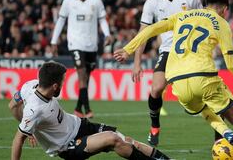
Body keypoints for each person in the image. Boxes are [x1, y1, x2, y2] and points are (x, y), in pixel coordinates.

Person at [114, 0, 233, 160]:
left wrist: (128, 49)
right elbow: (232, 64)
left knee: (202, 107)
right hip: (202, 75)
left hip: (177, 82)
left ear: (206, 5)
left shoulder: (181, 16)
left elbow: (151, 29)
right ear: (225, 9)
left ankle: (225, 132)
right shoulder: (221, 23)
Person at [9, 61, 170, 160]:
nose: (64, 84)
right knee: (113, 138)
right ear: (55, 86)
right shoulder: (35, 110)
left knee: (126, 140)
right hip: (68, 146)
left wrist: (29, 128)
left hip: (79, 125)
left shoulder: (29, 85)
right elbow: (18, 140)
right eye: (63, 82)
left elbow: (12, 105)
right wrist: (27, 126)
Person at [132, 0, 202, 146]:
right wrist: (137, 63)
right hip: (168, 51)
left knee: (197, 92)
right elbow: (143, 34)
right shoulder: (152, 3)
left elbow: (204, 24)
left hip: (190, 52)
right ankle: (155, 127)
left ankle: (218, 133)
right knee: (156, 89)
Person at [50, 0, 112, 118]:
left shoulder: (96, 1)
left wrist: (107, 34)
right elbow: (60, 21)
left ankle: (78, 108)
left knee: (86, 77)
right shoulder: (69, 1)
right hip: (75, 43)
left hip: (91, 45)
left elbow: (102, 20)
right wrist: (54, 41)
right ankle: (88, 110)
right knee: (82, 74)